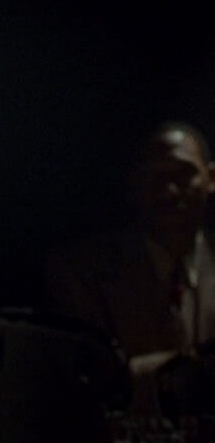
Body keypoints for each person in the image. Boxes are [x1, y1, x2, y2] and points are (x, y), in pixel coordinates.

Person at [44, 121, 214, 421]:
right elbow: (79, 384)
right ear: (134, 184)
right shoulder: (83, 273)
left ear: (210, 179)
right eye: (155, 176)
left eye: (183, 173)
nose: (169, 191)